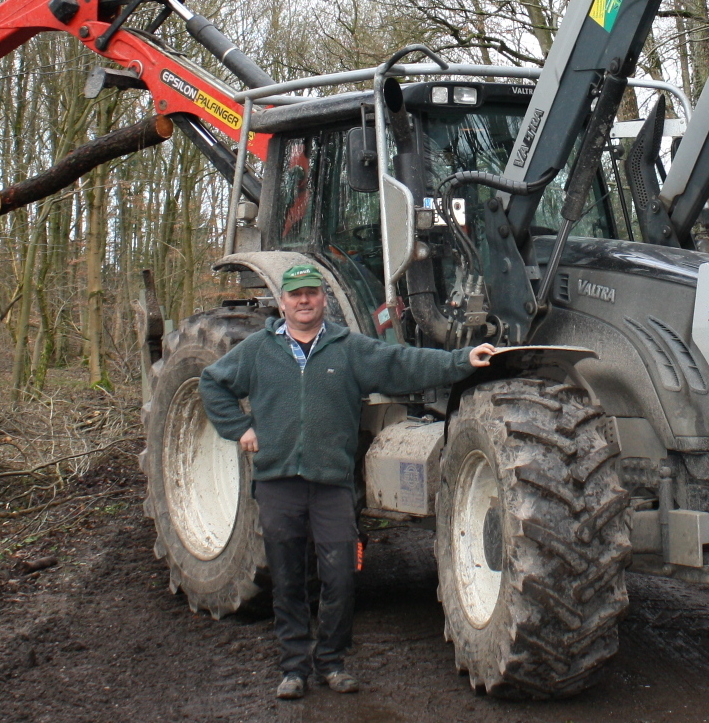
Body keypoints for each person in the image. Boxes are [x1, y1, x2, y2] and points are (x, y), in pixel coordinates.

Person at [198, 262, 495, 700]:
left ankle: (332, 663)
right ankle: (294, 668)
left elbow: (403, 363)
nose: (303, 301)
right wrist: (239, 428)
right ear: (282, 303)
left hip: (332, 483)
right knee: (288, 578)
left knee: (340, 576)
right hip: (278, 482)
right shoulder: (260, 349)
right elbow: (212, 382)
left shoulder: (347, 347)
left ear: (321, 300)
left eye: (311, 294)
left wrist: (460, 360)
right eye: (295, 295)